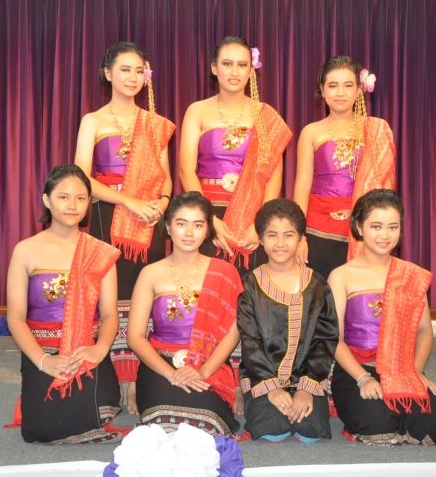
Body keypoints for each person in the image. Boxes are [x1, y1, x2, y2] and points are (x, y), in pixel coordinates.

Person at [74, 42, 175, 414]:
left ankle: (138, 381)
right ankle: (115, 378)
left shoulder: (155, 123)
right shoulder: (93, 121)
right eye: (125, 69)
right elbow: (81, 178)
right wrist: (128, 201)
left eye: (138, 71)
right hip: (107, 217)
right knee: (111, 299)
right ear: (108, 73)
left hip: (149, 222)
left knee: (143, 297)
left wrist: (162, 204)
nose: (133, 77)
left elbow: (165, 180)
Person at [5, 164, 123, 444]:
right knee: (43, 429)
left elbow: (109, 314)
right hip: (43, 349)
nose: (72, 205)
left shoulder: (100, 252)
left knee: (96, 412)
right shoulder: (25, 250)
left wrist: (98, 350)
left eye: (81, 198)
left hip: (86, 349)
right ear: (47, 200)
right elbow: (16, 317)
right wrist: (44, 361)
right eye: (63, 197)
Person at [327, 189, 436, 446]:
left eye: (392, 227)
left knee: (435, 428)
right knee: (378, 424)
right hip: (357, 368)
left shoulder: (410, 274)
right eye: (376, 226)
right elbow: (333, 339)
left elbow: (424, 331)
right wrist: (364, 378)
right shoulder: (341, 276)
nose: (385, 235)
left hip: (402, 367)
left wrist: (416, 370)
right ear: (359, 228)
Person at [127, 192, 242, 437]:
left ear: (207, 229)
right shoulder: (150, 273)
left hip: (208, 363)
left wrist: (202, 372)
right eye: (181, 223)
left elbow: (233, 334)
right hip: (160, 365)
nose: (189, 233)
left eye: (198, 225)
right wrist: (171, 374)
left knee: (206, 425)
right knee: (161, 425)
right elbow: (135, 337)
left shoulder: (225, 271)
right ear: (168, 227)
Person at [178, 36, 292, 273]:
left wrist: (262, 222)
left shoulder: (266, 114)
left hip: (252, 216)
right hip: (206, 211)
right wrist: (207, 219)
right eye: (227, 64)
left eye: (242, 65)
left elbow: (273, 176)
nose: (234, 72)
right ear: (214, 67)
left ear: (251, 70)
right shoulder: (197, 111)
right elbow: (186, 170)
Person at [237, 199, 339, 443]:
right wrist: (272, 388)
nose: (280, 243)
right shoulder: (249, 285)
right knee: (273, 428)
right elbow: (250, 342)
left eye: (289, 235)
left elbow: (325, 340)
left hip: (308, 377)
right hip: (262, 376)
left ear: (301, 238)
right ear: (261, 239)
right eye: (272, 235)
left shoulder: (318, 285)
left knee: (311, 430)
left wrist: (306, 389)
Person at [293, 56, 396, 280]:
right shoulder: (311, 132)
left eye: (348, 85)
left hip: (365, 230)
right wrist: (299, 235)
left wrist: (382, 228)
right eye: (333, 85)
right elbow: (302, 186)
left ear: (359, 90)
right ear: (322, 90)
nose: (340, 93)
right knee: (320, 296)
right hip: (319, 230)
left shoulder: (376, 130)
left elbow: (385, 192)